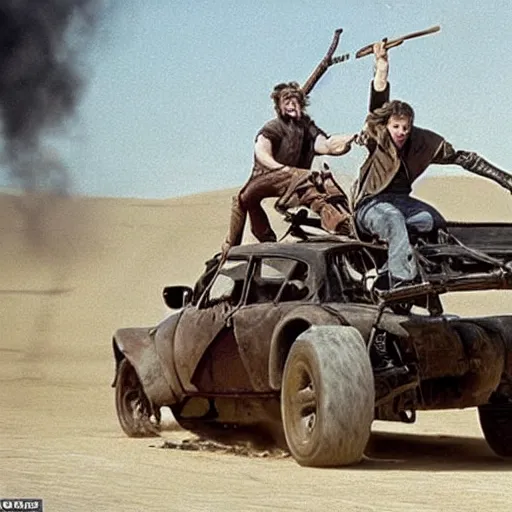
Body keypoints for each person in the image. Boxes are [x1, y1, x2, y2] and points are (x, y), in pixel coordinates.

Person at [352, 44, 512, 290]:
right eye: (396, 127)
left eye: (405, 127)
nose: (401, 132)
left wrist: (505, 179)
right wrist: (382, 64)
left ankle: (419, 268)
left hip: (402, 201)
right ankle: (402, 280)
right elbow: (378, 102)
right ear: (387, 126)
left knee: (432, 221)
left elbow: (464, 158)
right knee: (393, 219)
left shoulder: (422, 142)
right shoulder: (379, 137)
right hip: (371, 205)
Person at [220, 71, 375, 254]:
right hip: (263, 182)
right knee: (299, 177)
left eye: (295, 100)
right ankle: (332, 219)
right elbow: (261, 151)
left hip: (296, 184)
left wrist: (351, 138)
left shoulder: (307, 128)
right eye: (287, 101)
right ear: (279, 106)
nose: (292, 104)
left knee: (321, 180)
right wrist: (284, 169)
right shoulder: (274, 128)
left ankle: (346, 222)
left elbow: (327, 145)